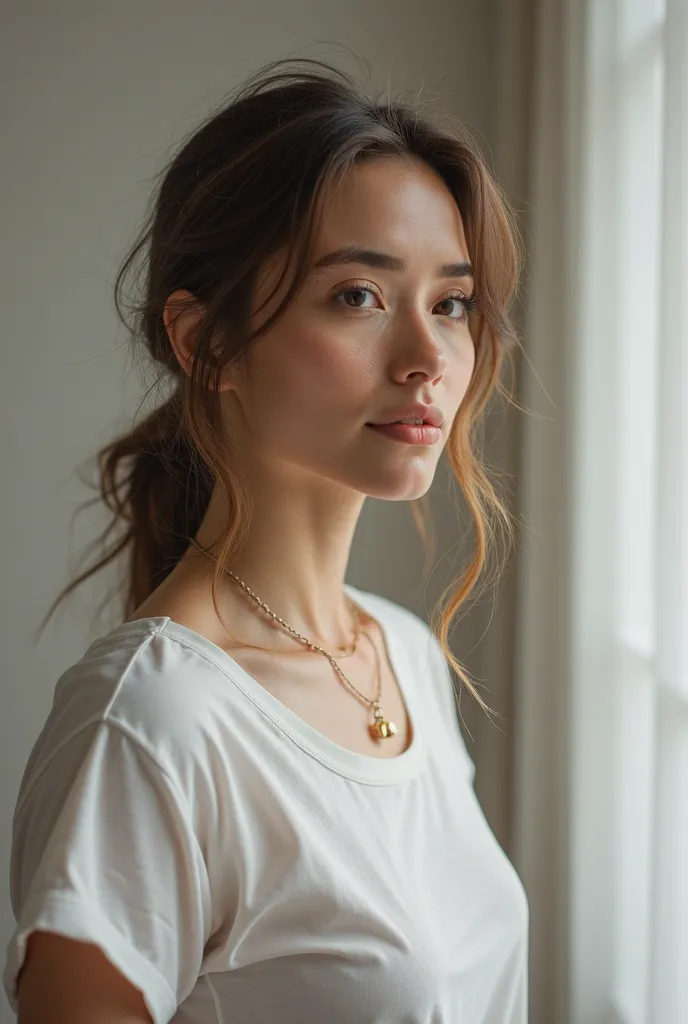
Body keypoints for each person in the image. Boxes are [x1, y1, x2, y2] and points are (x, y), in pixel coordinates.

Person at [3, 55, 529, 1024]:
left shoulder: (399, 655)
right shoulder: (151, 721)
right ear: (205, 342)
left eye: (448, 303)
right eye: (358, 296)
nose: (426, 360)